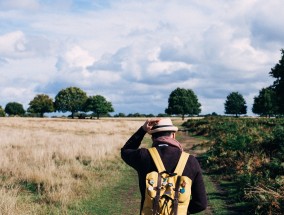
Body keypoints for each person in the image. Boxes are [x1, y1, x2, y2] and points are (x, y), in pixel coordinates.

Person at [121, 118, 207, 214]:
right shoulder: (190, 161)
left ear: (153, 138)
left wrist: (143, 130)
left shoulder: (143, 156)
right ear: (173, 135)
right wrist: (178, 209)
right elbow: (201, 203)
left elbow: (126, 151)